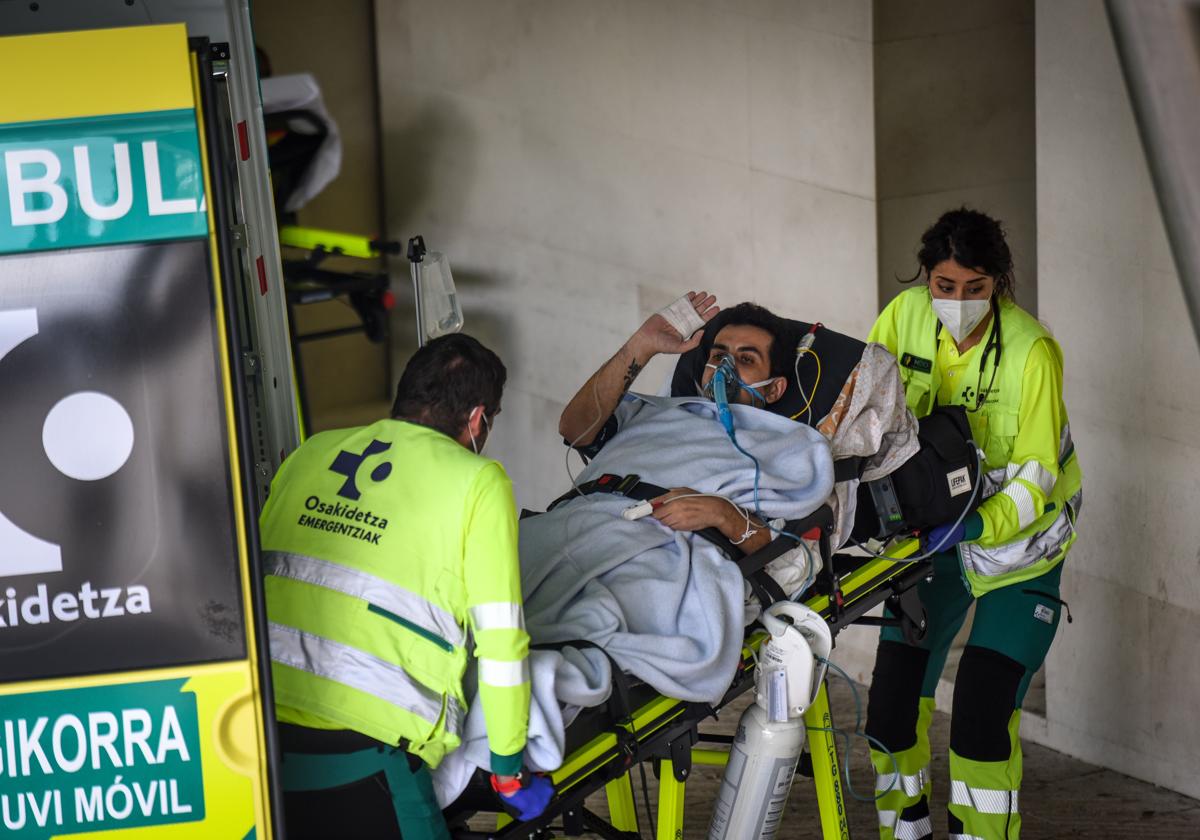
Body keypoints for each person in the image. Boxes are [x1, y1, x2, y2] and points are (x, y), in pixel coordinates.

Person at [260, 333, 553, 838]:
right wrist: (506, 770)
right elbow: (502, 640)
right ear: (478, 419)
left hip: (255, 736)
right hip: (367, 753)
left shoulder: (311, 452)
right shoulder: (477, 480)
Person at [864, 208, 1083, 840]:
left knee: (982, 724)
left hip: (1019, 550)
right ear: (925, 277)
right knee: (890, 713)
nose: (957, 301)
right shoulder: (901, 317)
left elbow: (1037, 480)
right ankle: (905, 832)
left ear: (1000, 283)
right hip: (929, 545)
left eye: (976, 288)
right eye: (944, 285)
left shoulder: (1032, 352)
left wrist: (972, 526)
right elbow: (866, 416)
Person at [559, 293, 797, 557]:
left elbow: (787, 556)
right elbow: (574, 430)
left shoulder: (786, 449)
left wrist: (724, 514)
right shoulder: (652, 413)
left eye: (746, 359)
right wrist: (641, 345)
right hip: (569, 531)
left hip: (646, 558)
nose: (725, 369)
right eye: (719, 356)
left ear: (774, 389)